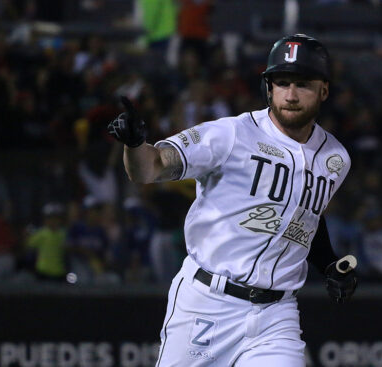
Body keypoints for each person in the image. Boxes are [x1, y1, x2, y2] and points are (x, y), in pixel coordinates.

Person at [107, 34, 358, 366]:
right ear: (268, 88)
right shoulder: (231, 134)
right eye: (282, 83)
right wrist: (134, 144)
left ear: (324, 90)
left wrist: (328, 262)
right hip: (207, 302)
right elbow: (150, 167)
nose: (291, 95)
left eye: (303, 84)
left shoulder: (336, 158)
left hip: (276, 313)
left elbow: (304, 216)